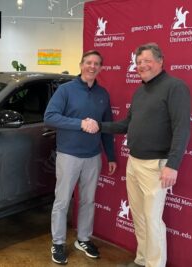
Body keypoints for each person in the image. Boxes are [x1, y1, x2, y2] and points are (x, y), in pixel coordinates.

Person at [86, 43, 191, 267]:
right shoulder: (140, 90)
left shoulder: (175, 87)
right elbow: (126, 124)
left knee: (153, 220)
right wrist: (99, 125)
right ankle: (142, 259)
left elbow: (182, 129)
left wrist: (173, 165)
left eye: (146, 60)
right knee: (139, 217)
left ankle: (155, 264)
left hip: (156, 165)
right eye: (138, 62)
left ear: (160, 61)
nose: (142, 65)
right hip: (134, 162)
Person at [44, 50, 117, 264]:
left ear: (100, 68)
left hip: (93, 157)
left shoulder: (103, 94)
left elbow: (106, 128)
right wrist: (80, 124)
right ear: (81, 64)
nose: (92, 67)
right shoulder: (65, 90)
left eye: (96, 64)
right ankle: (58, 242)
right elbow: (50, 117)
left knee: (88, 201)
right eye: (88, 62)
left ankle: (83, 239)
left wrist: (110, 156)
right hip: (69, 155)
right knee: (63, 201)